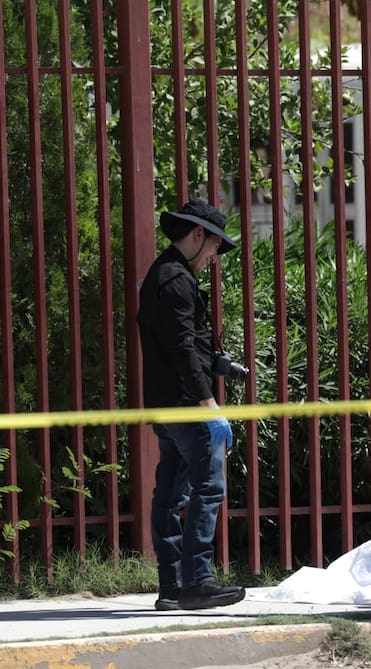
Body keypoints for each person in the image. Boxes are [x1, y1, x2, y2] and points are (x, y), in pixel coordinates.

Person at [137, 199, 246, 611]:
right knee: (208, 487)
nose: (215, 258)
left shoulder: (162, 275)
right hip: (186, 403)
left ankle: (171, 588)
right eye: (215, 247)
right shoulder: (177, 280)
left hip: (165, 403)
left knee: (169, 493)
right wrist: (209, 403)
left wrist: (215, 362)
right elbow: (182, 347)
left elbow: (175, 342)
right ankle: (198, 579)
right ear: (198, 235)